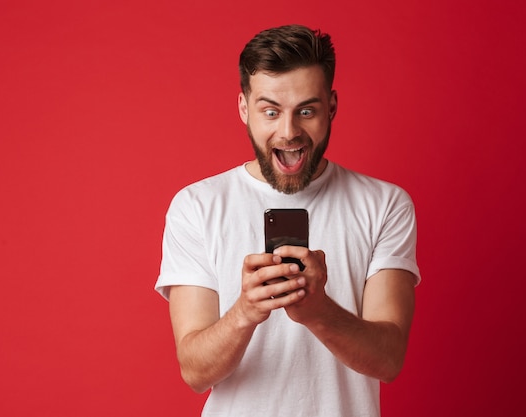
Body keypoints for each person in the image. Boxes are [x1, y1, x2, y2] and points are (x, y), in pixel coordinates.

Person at [155, 24, 421, 417]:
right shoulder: (196, 206)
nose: (289, 131)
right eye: (270, 111)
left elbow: (388, 361)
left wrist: (319, 312)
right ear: (244, 108)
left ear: (331, 106)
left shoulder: (384, 204)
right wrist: (245, 311)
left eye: (307, 111)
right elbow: (195, 371)